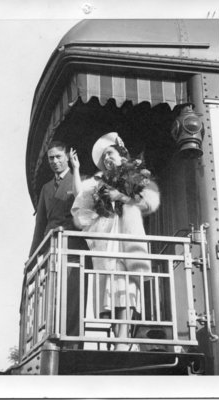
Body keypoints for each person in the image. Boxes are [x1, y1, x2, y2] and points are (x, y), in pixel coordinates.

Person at [71, 132, 160, 351]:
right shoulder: (96, 183)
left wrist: (120, 197)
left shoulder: (136, 176)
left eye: (110, 154)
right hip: (108, 238)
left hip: (128, 237)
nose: (107, 159)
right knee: (111, 288)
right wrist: (75, 171)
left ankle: (123, 339)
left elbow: (148, 203)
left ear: (121, 155)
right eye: (104, 158)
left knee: (126, 284)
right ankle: (118, 337)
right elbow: (80, 202)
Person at [29, 140, 88, 348]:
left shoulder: (78, 180)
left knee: (73, 294)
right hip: (52, 246)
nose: (54, 161)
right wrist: (32, 256)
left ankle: (73, 343)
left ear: (67, 157)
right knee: (52, 294)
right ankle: (52, 340)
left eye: (58, 157)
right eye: (51, 158)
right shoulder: (45, 188)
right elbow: (40, 225)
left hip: (74, 245)